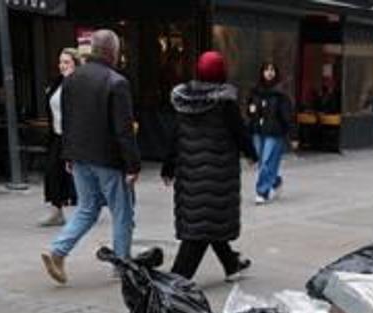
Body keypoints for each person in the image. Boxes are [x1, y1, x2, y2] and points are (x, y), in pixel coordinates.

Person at [41, 29, 141, 285]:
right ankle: (121, 265)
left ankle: (58, 251)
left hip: (79, 155)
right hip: (107, 158)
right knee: (122, 213)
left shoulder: (72, 79)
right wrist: (132, 164)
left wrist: (69, 154)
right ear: (113, 52)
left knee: (87, 208)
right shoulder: (116, 82)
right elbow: (123, 129)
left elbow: (68, 122)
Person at [162, 51, 256, 281]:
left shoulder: (184, 100)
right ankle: (178, 280)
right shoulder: (225, 102)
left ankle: (231, 264)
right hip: (219, 173)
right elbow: (239, 132)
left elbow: (176, 135)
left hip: (189, 172)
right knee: (204, 225)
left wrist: (169, 166)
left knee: (205, 218)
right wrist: (251, 154)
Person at [39, 48, 80, 227]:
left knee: (78, 175)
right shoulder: (57, 83)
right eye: (61, 62)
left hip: (74, 136)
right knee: (52, 171)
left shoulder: (79, 85)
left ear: (76, 65)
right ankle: (56, 211)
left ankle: (88, 209)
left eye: (66, 62)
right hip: (57, 135)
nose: (62, 66)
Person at [247, 61, 293, 204]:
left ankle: (262, 192)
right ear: (262, 72)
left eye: (272, 70)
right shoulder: (255, 91)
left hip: (274, 132)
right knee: (262, 163)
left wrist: (293, 134)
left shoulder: (281, 94)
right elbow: (249, 108)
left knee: (266, 162)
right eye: (266, 70)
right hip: (257, 130)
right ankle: (276, 181)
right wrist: (251, 112)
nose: (269, 72)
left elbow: (287, 115)